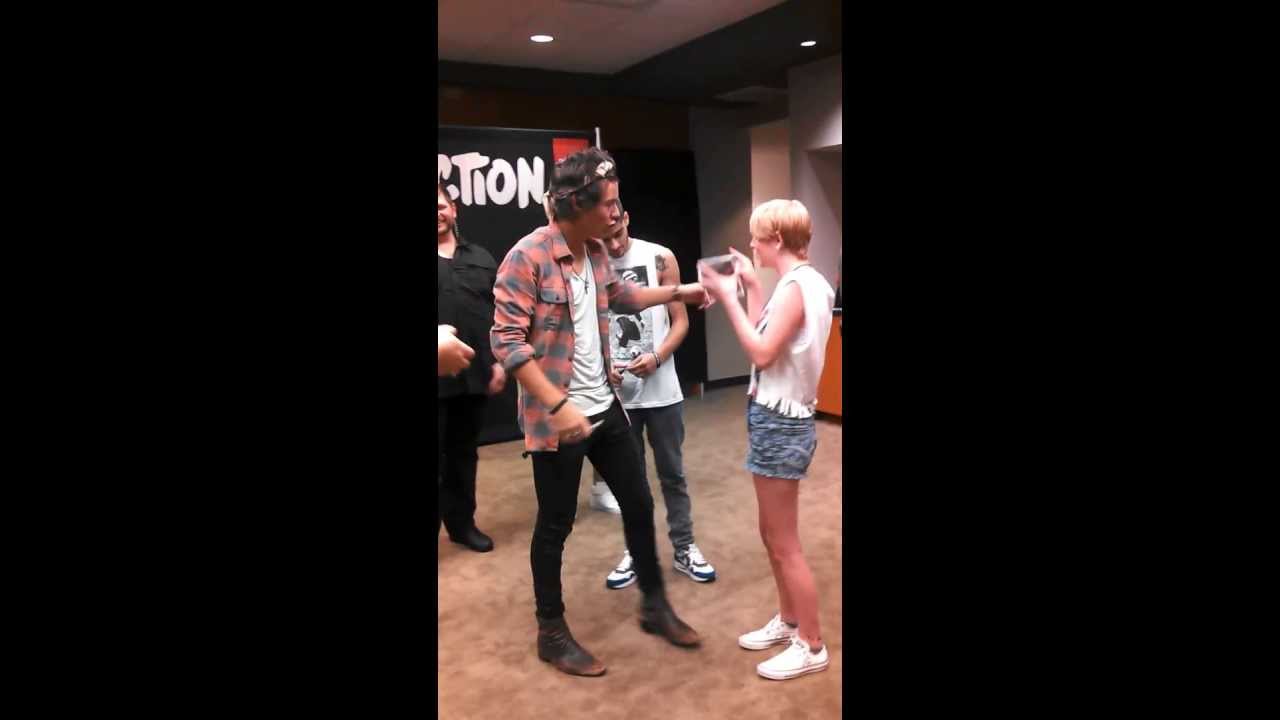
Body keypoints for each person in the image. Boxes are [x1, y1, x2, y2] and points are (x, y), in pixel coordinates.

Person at [490, 147, 708, 677]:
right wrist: (558, 404)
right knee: (555, 525)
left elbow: (622, 297)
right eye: (608, 203)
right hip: (558, 419)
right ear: (576, 205)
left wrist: (680, 291)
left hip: (606, 408)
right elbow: (507, 343)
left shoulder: (595, 251)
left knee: (639, 503)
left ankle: (654, 606)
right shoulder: (527, 256)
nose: (616, 212)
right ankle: (551, 632)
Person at [700, 199, 834, 681]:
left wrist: (727, 297)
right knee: (771, 534)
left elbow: (758, 351)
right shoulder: (802, 283)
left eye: (757, 237)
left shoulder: (797, 287)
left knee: (784, 542)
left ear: (776, 239)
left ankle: (811, 643)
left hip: (782, 421)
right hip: (776, 415)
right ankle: (790, 619)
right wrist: (753, 288)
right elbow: (767, 343)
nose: (751, 245)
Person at [588, 205, 716, 590]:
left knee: (672, 474)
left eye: (617, 233)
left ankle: (684, 547)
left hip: (662, 392)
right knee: (631, 483)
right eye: (605, 237)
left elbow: (681, 321)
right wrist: (604, 366)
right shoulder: (591, 263)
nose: (613, 244)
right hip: (617, 396)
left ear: (626, 218)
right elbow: (588, 327)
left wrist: (658, 357)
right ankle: (637, 551)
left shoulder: (659, 256)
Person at [437, 181, 505, 552]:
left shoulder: (481, 257)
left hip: (474, 377)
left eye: (440, 205)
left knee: (464, 455)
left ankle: (462, 526)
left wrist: (498, 363)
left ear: (453, 209)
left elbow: (498, 316)